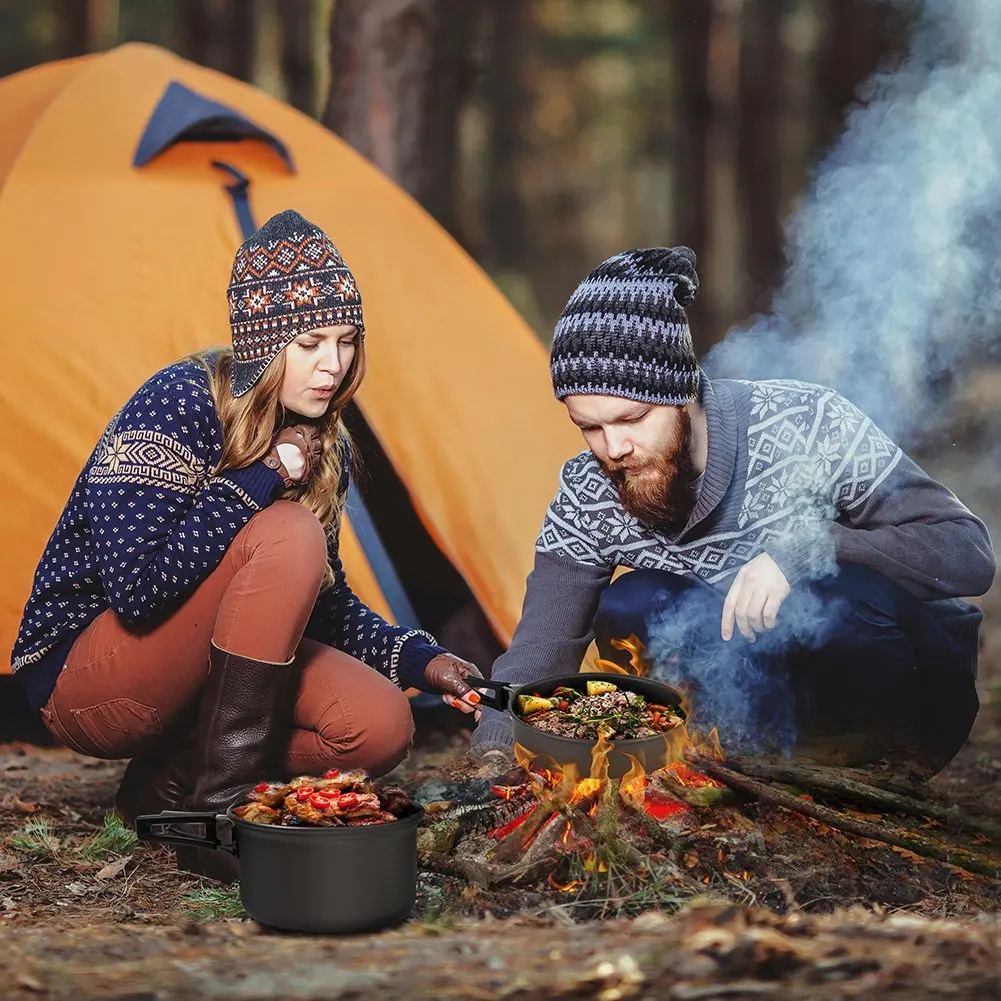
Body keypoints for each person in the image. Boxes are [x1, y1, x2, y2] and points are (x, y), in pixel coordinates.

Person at [11, 209, 483, 879]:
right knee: (286, 531)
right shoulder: (178, 402)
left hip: (195, 674)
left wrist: (421, 660)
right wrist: (262, 478)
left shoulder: (321, 441)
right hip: (84, 674)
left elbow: (318, 602)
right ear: (265, 343)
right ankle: (215, 815)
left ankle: (164, 791)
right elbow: (138, 592)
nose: (334, 365)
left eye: (347, 341)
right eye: (312, 342)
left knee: (378, 725)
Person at [471, 247, 994, 775]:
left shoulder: (806, 423)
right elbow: (543, 642)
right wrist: (493, 749)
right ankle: (728, 760)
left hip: (897, 689)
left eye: (631, 418)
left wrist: (807, 550)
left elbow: (966, 552)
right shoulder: (589, 490)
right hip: (746, 704)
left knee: (844, 599)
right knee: (630, 602)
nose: (613, 447)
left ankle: (872, 771)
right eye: (589, 426)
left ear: (682, 392)